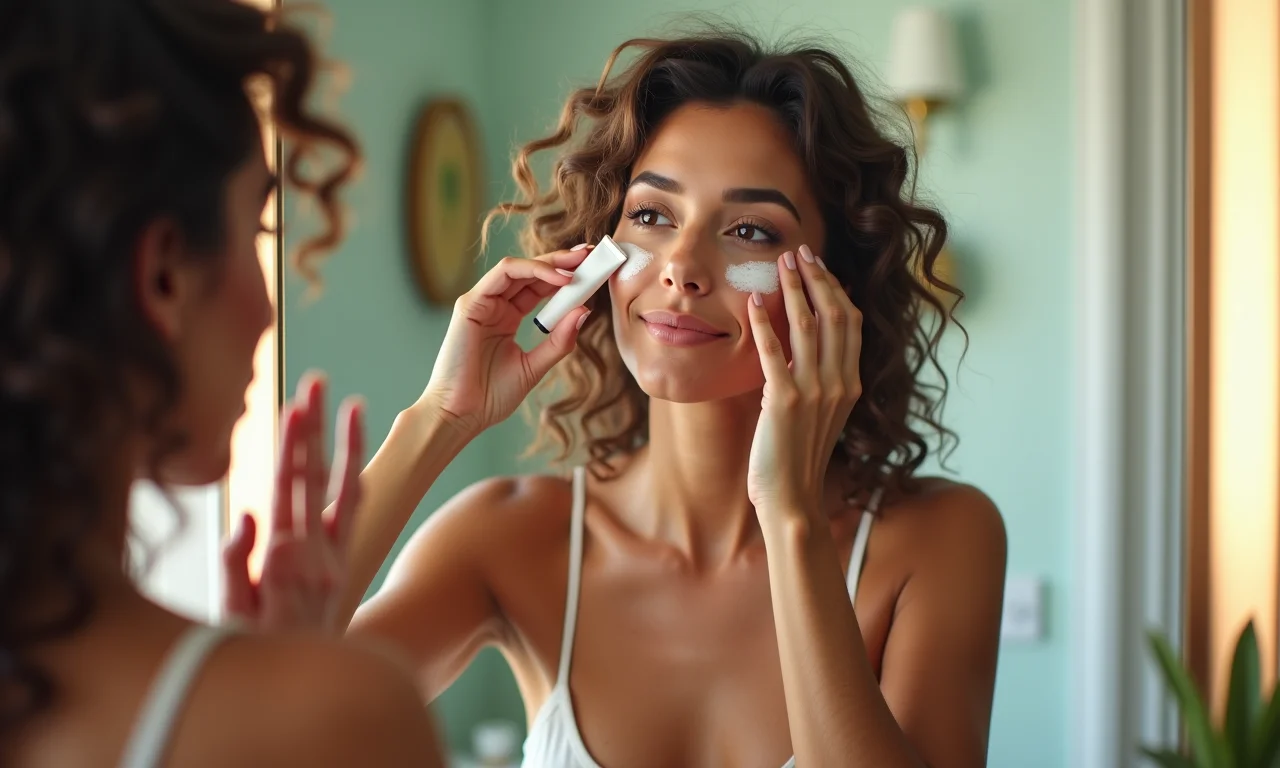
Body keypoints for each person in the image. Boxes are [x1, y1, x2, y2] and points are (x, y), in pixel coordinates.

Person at [237, 29, 1008, 768]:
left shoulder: (937, 541)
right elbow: (261, 725)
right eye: (650, 215)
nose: (681, 266)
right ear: (600, 258)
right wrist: (441, 417)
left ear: (834, 287)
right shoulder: (509, 538)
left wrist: (792, 516)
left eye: (750, 231)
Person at [0, 0, 505, 764]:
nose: (269, 310)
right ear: (165, 271)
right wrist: (286, 698)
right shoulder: (334, 716)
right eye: (258, 230)